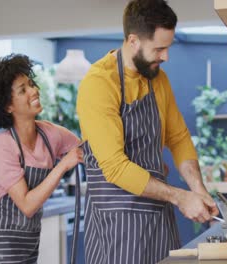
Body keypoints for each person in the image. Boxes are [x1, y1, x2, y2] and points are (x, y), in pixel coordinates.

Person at [76, 0, 219, 263]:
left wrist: (198, 190)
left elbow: (178, 138)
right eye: (159, 49)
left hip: (158, 219)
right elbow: (115, 167)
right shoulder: (99, 83)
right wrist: (179, 196)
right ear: (133, 41)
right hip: (117, 229)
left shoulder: (158, 80)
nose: (166, 57)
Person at [0, 54, 83, 264]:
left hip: (28, 243)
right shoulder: (3, 145)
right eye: (23, 90)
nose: (34, 91)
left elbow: (87, 151)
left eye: (31, 84)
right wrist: (63, 166)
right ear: (8, 106)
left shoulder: (50, 133)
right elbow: (26, 205)